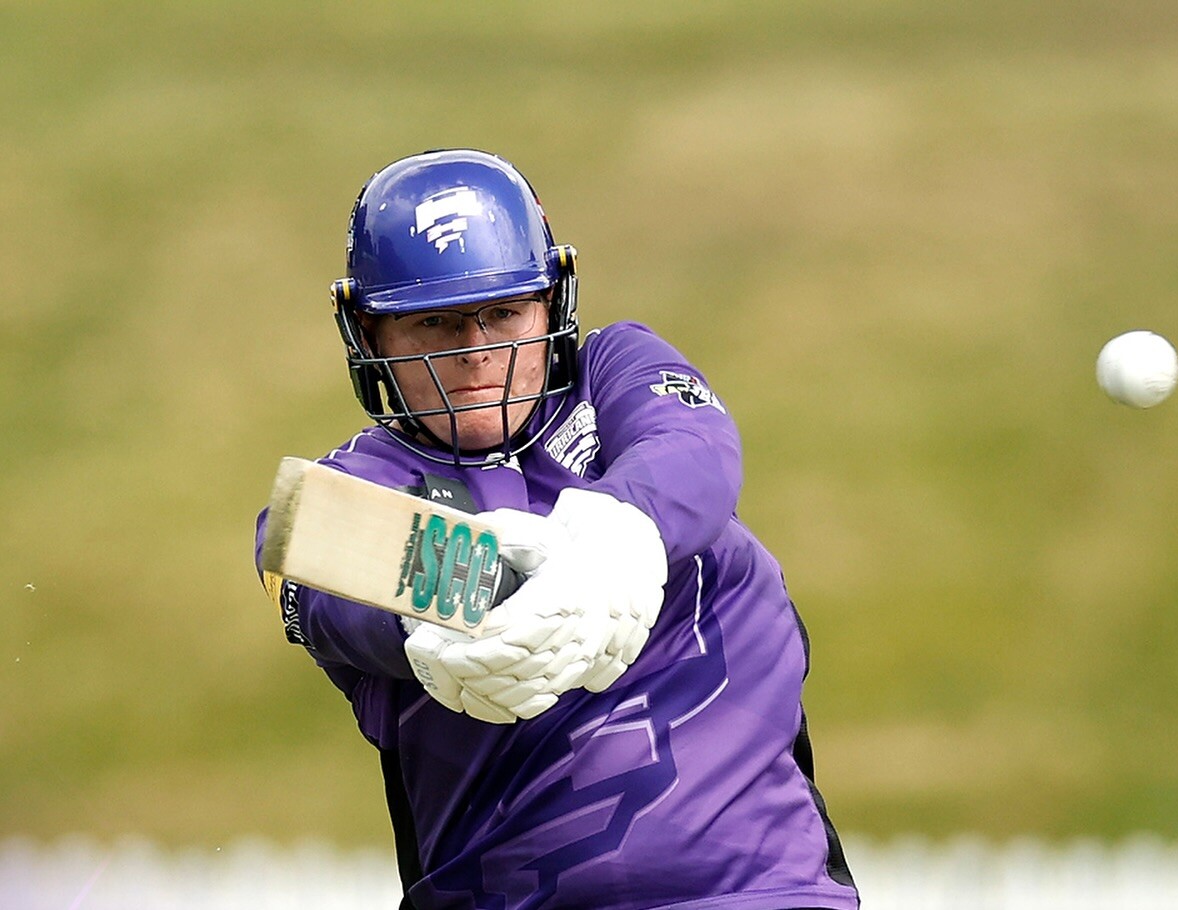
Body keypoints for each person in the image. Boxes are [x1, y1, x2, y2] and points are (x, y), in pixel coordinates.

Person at [254, 149, 860, 910]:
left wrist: (611, 542)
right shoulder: (341, 493)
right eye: (432, 323)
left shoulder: (617, 371)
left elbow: (694, 449)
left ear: (552, 305)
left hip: (762, 894)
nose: (474, 351)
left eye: (503, 313)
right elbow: (309, 558)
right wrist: (451, 605)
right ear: (370, 335)